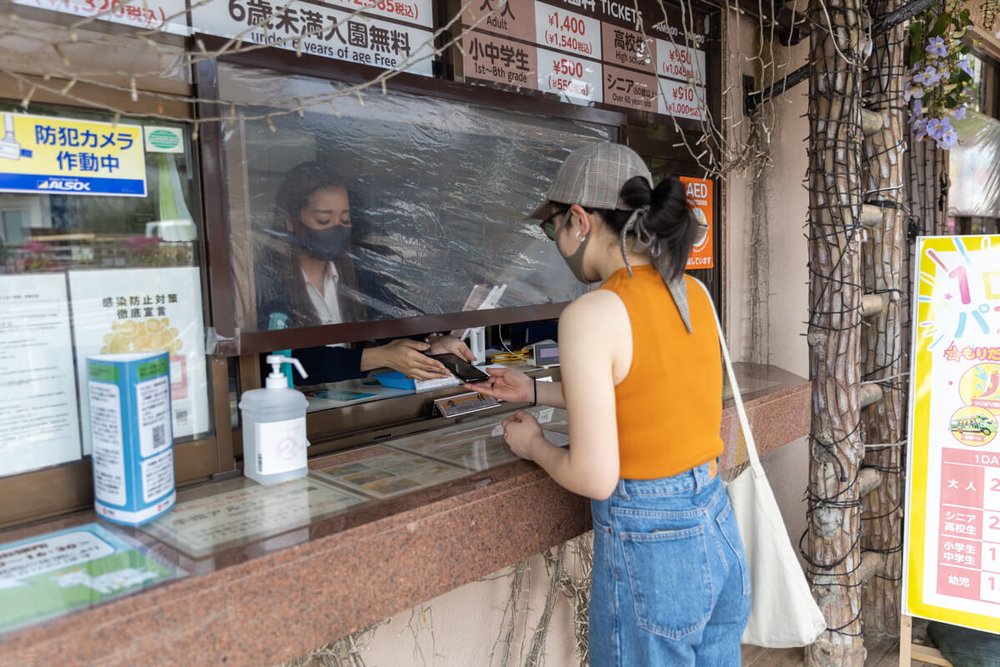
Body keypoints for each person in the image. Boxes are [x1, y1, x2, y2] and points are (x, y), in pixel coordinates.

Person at [470, 143, 749, 665]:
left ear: (578, 219)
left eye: (551, 228)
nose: (555, 241)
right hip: (715, 524)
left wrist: (534, 445)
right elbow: (642, 393)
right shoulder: (693, 292)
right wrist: (533, 390)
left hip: (653, 545)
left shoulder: (593, 312)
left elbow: (596, 476)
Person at [256, 161, 473, 384]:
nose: (336, 228)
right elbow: (284, 362)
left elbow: (391, 322)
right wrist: (378, 357)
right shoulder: (268, 283)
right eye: (323, 220)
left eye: (344, 219)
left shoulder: (357, 277)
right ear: (291, 221)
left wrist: (432, 343)